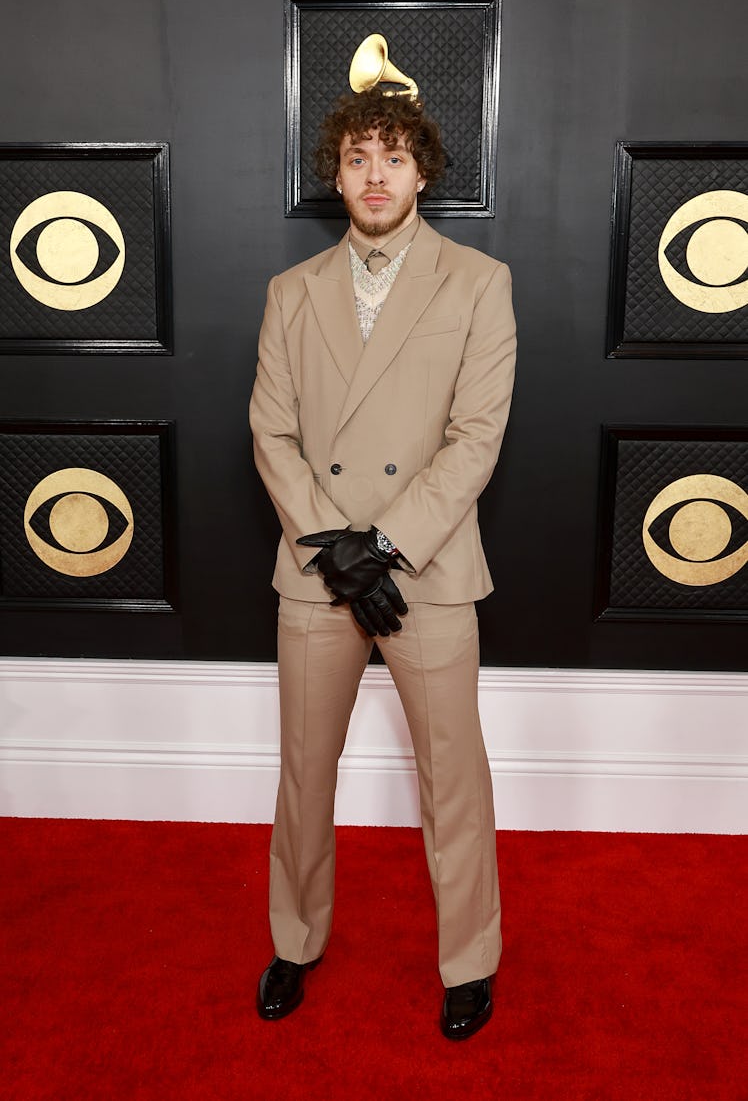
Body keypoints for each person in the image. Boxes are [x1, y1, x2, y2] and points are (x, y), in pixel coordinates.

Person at [249, 87, 516, 1040]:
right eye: (358, 157)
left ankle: (470, 959)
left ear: (423, 171)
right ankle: (295, 937)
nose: (374, 175)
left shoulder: (480, 282)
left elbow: (476, 439)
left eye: (393, 158)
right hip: (319, 571)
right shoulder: (293, 292)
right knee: (303, 771)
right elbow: (271, 434)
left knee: (455, 775)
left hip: (428, 573)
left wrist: (388, 548)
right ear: (335, 172)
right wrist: (338, 552)